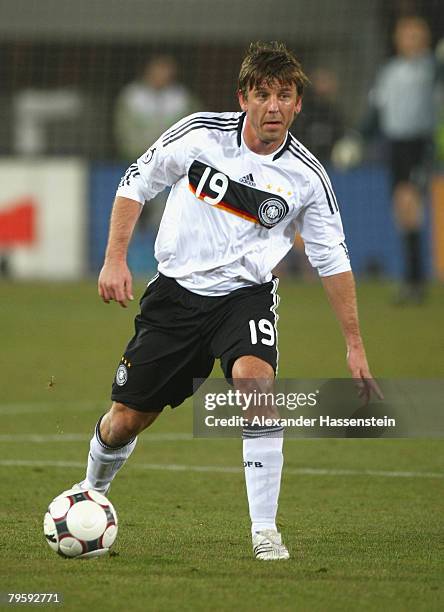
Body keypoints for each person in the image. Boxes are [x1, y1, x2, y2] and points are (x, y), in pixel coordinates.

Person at [74, 42, 382, 561]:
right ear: (244, 98)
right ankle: (89, 495)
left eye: (285, 96)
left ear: (298, 104)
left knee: (255, 383)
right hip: (174, 296)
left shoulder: (307, 179)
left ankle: (265, 530)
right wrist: (114, 258)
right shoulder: (198, 134)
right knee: (127, 418)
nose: (274, 107)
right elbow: (136, 182)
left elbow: (333, 261)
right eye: (263, 95)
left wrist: (354, 345)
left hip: (245, 297)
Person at [333, 16, 441, 304]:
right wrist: (356, 137)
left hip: (420, 143)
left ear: (426, 38)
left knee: (409, 205)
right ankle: (413, 280)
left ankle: (415, 281)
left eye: (417, 34)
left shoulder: (431, 68)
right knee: (402, 211)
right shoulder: (389, 72)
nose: (411, 40)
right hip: (395, 146)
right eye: (406, 35)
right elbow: (377, 113)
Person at [114, 55, 200, 161]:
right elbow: (125, 131)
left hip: (174, 159)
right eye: (159, 69)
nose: (162, 74)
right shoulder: (131, 96)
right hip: (138, 158)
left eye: (166, 69)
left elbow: (194, 127)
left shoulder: (183, 98)